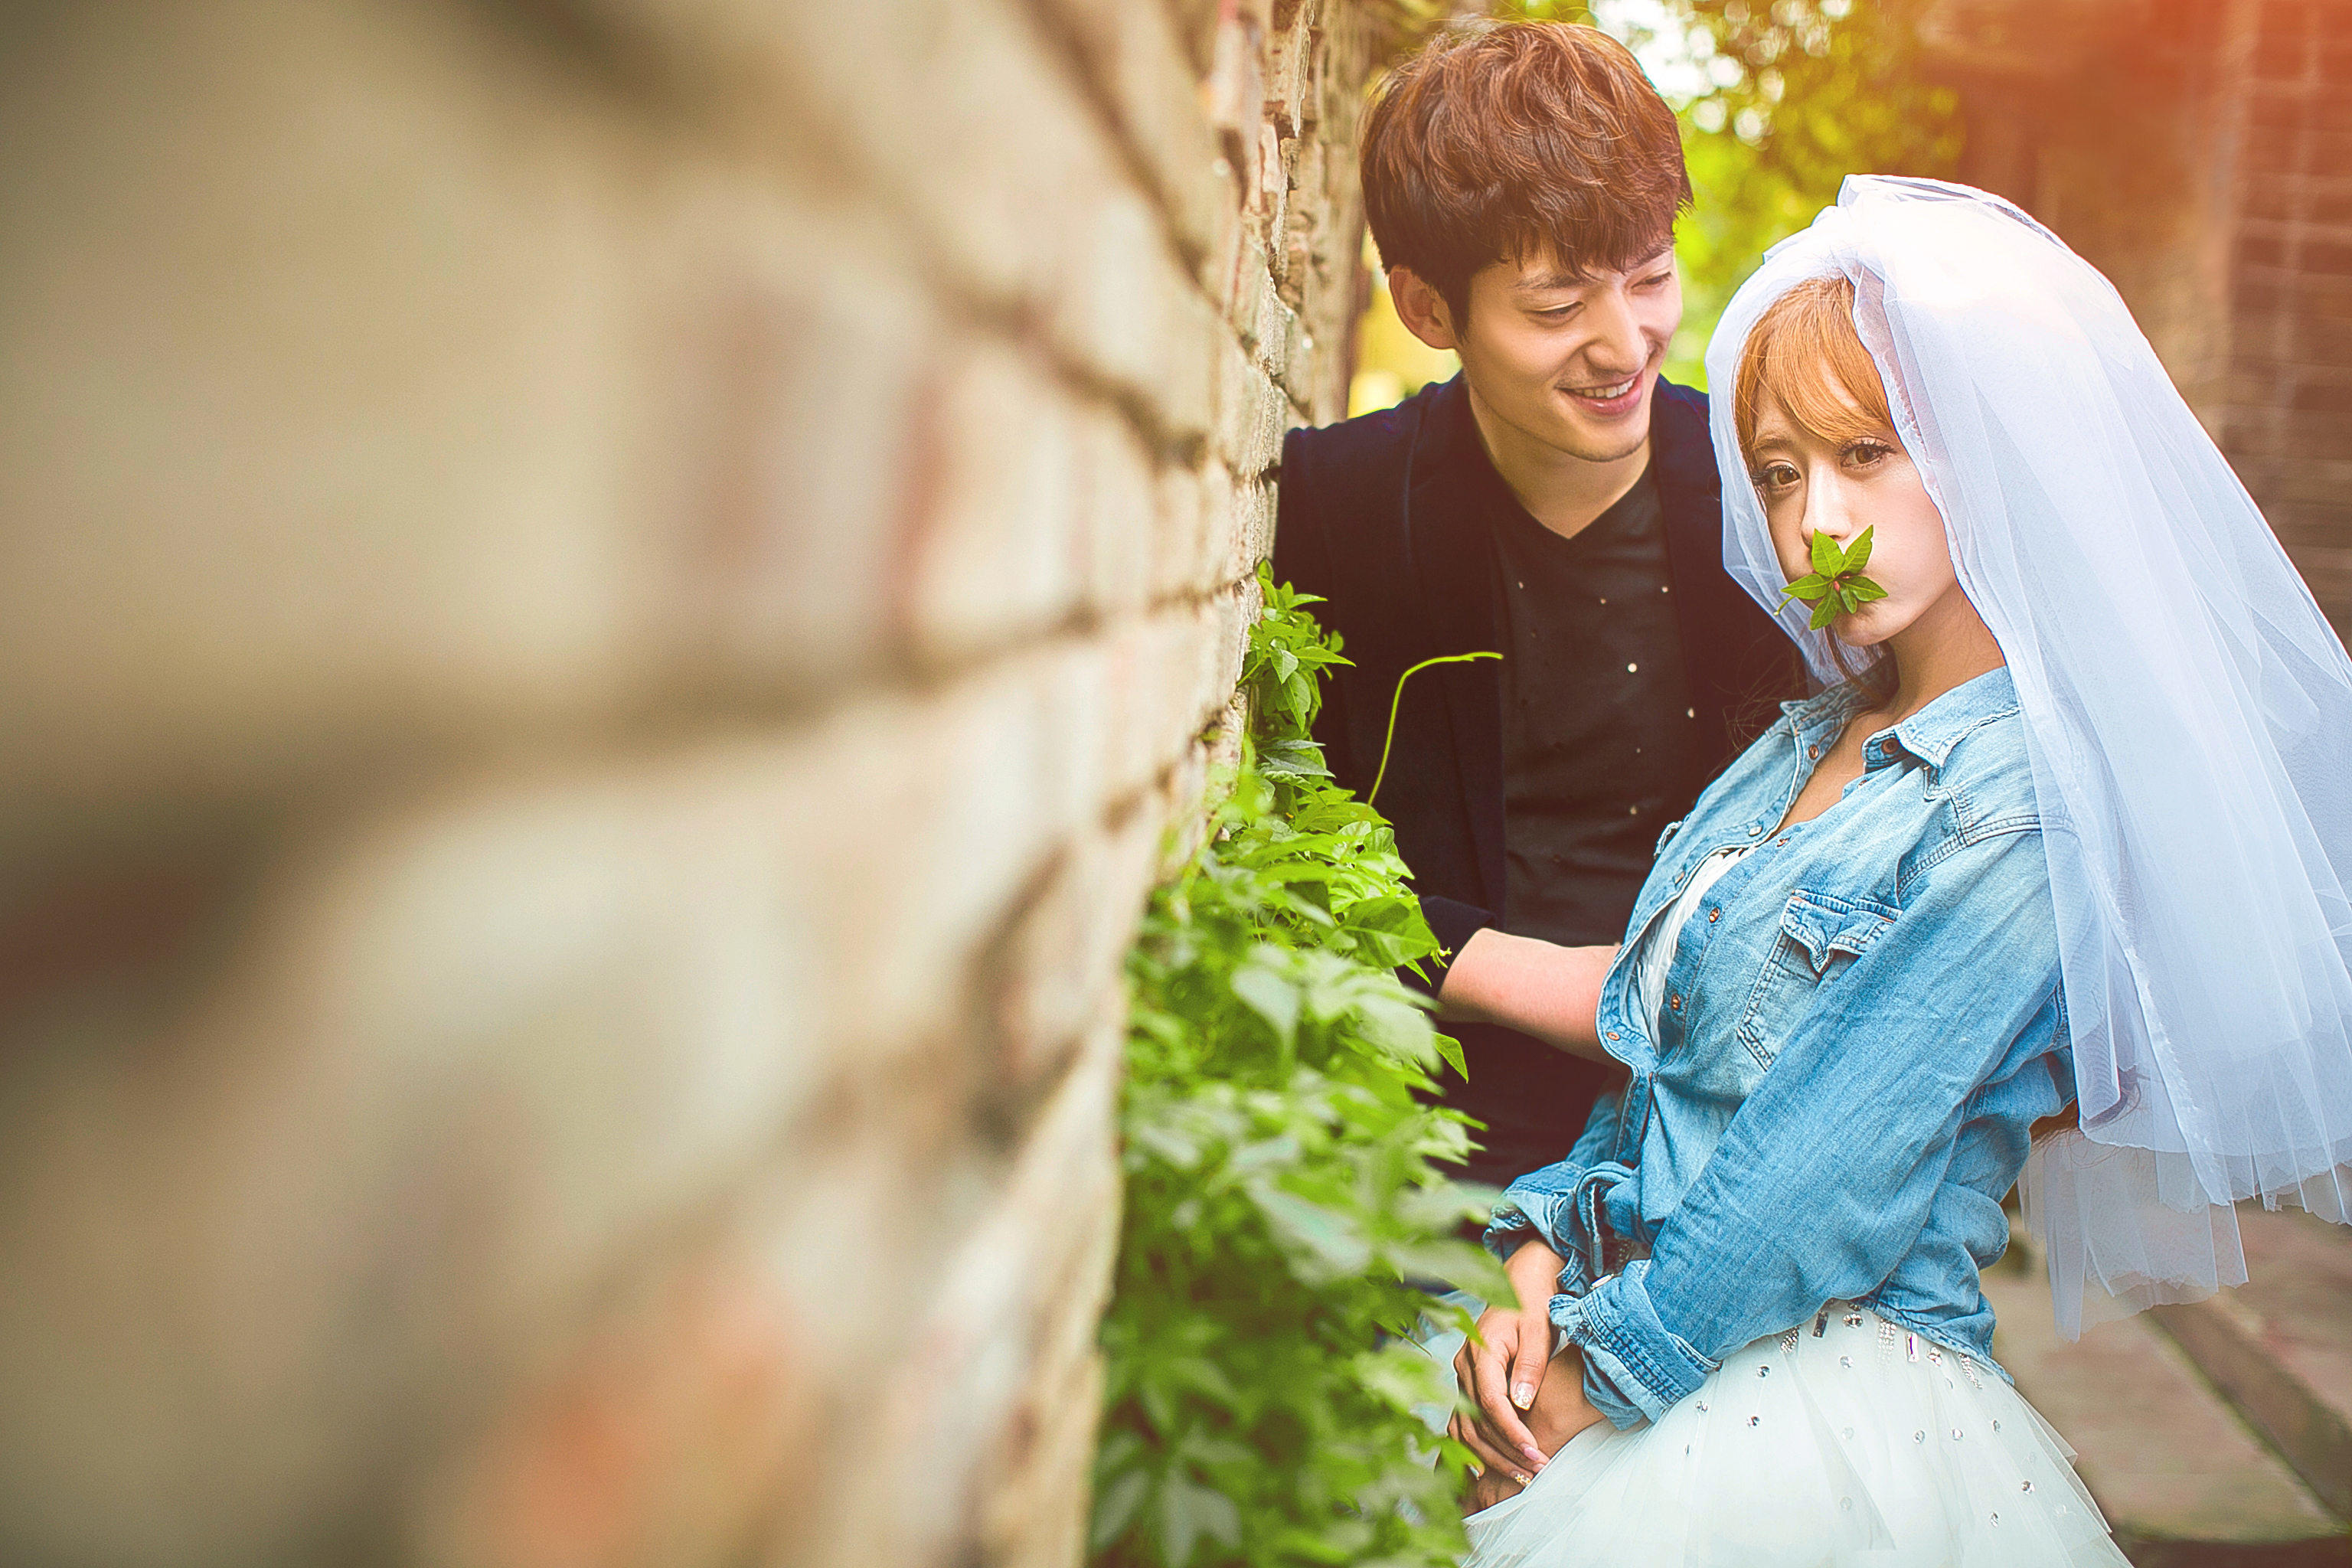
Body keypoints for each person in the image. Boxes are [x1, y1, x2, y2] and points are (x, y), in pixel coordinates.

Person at [1443, 178, 2352, 1564]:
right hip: (1628, 1331)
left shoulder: (2026, 805)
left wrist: (1590, 1380)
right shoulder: (1799, 742)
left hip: (1811, 1404)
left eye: (1867, 454)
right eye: (1782, 473)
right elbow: (1657, 1057)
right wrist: (1537, 1250)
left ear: (1979, 457)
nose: (1814, 521)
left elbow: (1820, 1167)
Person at [1272, 20, 1798, 1197]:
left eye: (1652, 276)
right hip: (1420, 1136)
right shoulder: (1334, 507)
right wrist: (1535, 980)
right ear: (1426, 309)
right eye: (1558, 304)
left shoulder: (1766, 500)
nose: (1626, 344)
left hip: (1712, 1133)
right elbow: (1277, 840)